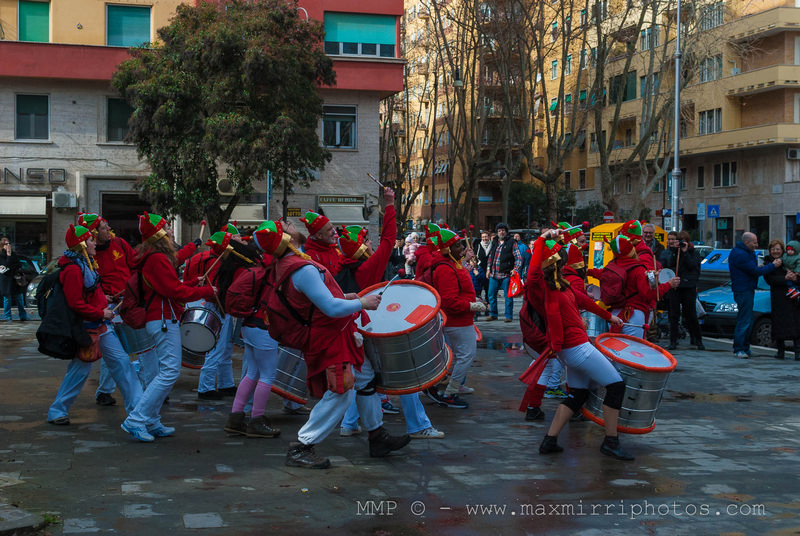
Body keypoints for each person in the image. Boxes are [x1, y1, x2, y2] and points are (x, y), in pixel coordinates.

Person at [255, 219, 410, 469]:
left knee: (364, 378)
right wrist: (362, 303)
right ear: (286, 239)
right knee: (341, 391)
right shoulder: (301, 268)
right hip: (328, 338)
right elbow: (330, 307)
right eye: (288, 226)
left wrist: (347, 297)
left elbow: (319, 300)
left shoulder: (287, 263)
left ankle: (377, 436)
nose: (293, 225)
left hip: (334, 334)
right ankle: (302, 446)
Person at [336, 189, 444, 439]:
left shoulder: (339, 266)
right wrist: (389, 203)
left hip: (353, 328)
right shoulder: (368, 267)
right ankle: (418, 426)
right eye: (366, 240)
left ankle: (349, 424)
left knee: (363, 379)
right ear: (362, 248)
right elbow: (389, 237)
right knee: (405, 372)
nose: (371, 242)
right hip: (374, 327)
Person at [527, 230, 634, 460]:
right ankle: (611, 441)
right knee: (616, 386)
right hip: (576, 349)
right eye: (561, 259)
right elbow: (533, 272)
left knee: (577, 395)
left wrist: (609, 317)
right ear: (555, 262)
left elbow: (583, 300)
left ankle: (550, 440)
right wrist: (542, 239)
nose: (566, 263)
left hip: (572, 349)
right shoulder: (542, 287)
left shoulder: (561, 285)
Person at [120, 213, 216, 442]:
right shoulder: (158, 259)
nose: (172, 232)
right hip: (163, 319)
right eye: (167, 229)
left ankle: (151, 421)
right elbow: (175, 292)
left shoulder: (153, 257)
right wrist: (206, 291)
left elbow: (168, 287)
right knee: (170, 371)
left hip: (161, 317)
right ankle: (136, 419)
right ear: (161, 235)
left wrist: (193, 283)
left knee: (162, 372)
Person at [46, 225, 143, 426]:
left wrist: (102, 299)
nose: (94, 243)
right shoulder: (74, 269)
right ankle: (57, 411)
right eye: (90, 240)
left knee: (122, 363)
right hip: (88, 327)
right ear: (82, 245)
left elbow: (87, 294)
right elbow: (75, 303)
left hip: (99, 325)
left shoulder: (83, 264)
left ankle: (140, 411)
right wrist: (101, 311)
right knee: (81, 370)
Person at [217, 229, 282, 438]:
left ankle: (236, 418)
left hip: (248, 325)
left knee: (252, 373)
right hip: (262, 327)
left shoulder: (253, 271)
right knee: (267, 375)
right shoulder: (267, 270)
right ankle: (257, 420)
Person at [424, 229, 486, 408]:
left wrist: (474, 300)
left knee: (456, 357)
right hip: (456, 321)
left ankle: (441, 388)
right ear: (447, 249)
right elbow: (449, 301)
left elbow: (459, 292)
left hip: (459, 320)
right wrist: (471, 305)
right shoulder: (445, 268)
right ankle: (448, 392)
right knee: (466, 356)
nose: (463, 248)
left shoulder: (452, 264)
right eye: (457, 245)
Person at [182, 224, 241, 400]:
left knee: (226, 348)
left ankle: (226, 383)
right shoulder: (218, 261)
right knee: (216, 348)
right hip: (216, 306)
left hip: (218, 306)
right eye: (236, 239)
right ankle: (205, 387)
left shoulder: (206, 258)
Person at [600, 235, 679, 339]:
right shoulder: (638, 269)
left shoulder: (611, 266)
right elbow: (648, 294)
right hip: (633, 315)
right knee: (632, 351)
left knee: (615, 351)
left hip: (614, 314)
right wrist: (668, 284)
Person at [729, 232, 780, 358]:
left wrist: (760, 267)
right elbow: (755, 271)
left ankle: (745, 347)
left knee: (747, 318)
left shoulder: (743, 252)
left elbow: (752, 269)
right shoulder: (741, 254)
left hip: (746, 288)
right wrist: (772, 265)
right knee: (744, 319)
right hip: (744, 289)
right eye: (754, 242)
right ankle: (739, 348)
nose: (757, 245)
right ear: (747, 243)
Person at [659, 231, 705, 351]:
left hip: (688, 286)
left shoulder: (693, 253)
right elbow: (671, 265)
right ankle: (673, 340)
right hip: (676, 286)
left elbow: (692, 265)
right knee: (673, 314)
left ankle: (697, 339)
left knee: (691, 314)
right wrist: (676, 252)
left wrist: (685, 253)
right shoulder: (674, 252)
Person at [763, 239, 800, 360]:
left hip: (792, 297)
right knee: (778, 324)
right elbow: (770, 280)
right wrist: (786, 278)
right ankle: (780, 351)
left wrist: (794, 277)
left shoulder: (789, 259)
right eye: (773, 249)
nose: (775, 251)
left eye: (778, 249)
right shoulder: (768, 262)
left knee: (795, 324)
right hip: (778, 298)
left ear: (782, 250)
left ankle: (798, 352)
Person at [486, 222, 522, 323]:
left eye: (503, 230)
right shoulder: (494, 242)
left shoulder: (512, 242)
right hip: (494, 274)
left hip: (506, 274)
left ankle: (508, 316)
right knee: (491, 295)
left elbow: (518, 257)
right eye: (499, 231)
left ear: (506, 232)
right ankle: (493, 314)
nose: (501, 232)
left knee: (508, 296)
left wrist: (515, 269)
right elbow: (490, 257)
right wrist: (488, 269)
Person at [0, 238, 30, 322]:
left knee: (20, 299)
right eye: (6, 244)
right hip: (6, 281)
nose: (8, 245)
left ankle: (23, 316)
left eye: (9, 243)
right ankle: (8, 317)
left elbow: (18, 265)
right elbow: (5, 265)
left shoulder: (14, 255)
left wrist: (9, 267)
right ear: (3, 246)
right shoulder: (1, 256)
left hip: (15, 280)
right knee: (7, 300)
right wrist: (8, 256)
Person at [473, 231, 492, 304]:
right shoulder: (478, 246)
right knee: (478, 290)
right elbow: (474, 257)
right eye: (483, 237)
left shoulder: (493, 246)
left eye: (486, 236)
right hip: (480, 270)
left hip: (489, 270)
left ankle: (488, 306)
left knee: (488, 290)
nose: (484, 238)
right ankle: (479, 306)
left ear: (489, 237)